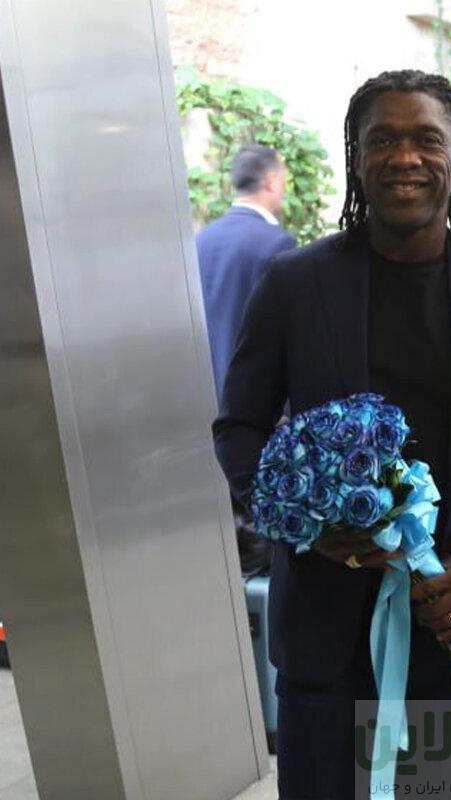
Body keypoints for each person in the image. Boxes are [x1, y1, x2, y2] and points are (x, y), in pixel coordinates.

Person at [212, 70, 451, 799]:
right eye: (382, 140)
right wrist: (306, 525)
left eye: (426, 140)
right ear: (357, 157)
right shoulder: (294, 286)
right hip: (325, 633)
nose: (404, 157)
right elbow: (239, 427)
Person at [196, 144, 296, 577]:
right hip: (255, 414)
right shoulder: (276, 245)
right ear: (272, 181)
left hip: (205, 404)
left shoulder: (201, 240)